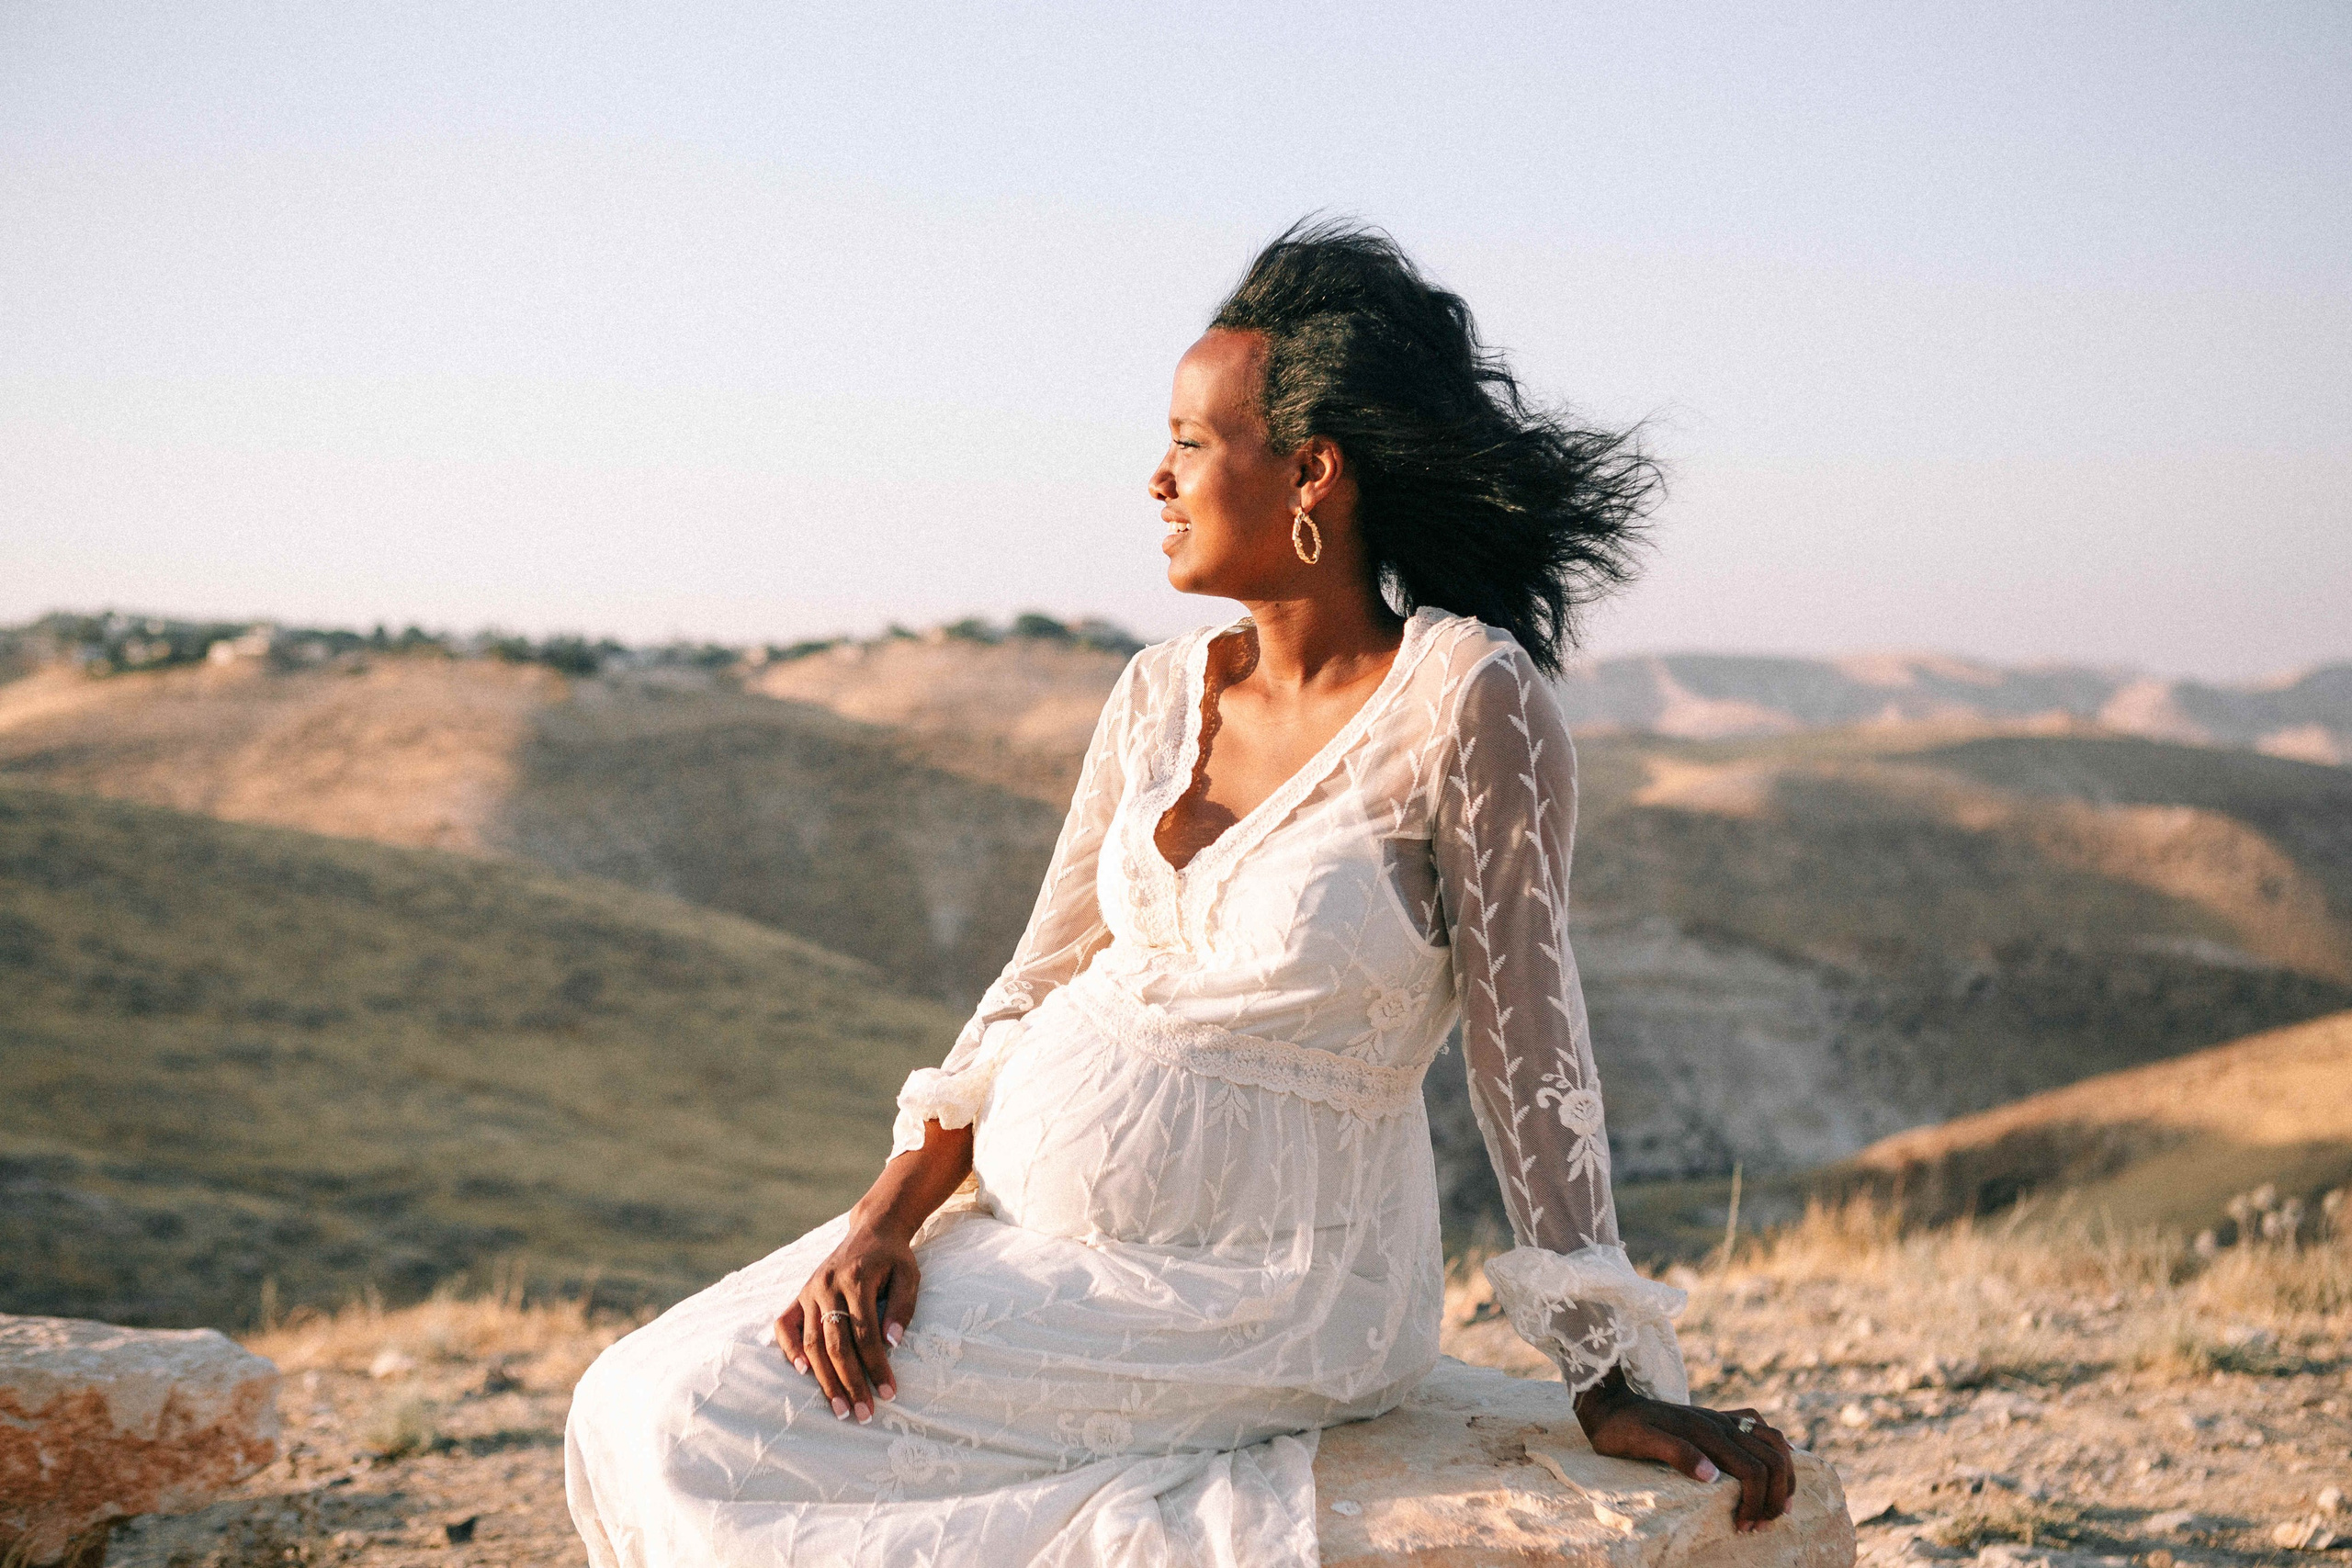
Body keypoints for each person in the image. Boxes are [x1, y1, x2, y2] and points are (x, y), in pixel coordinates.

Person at [565, 220, 1796, 1565]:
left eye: (1193, 444)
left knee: (701, 1431)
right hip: (1026, 1235)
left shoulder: (1463, 701)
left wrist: (1610, 1377)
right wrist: (886, 1218)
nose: (1158, 479)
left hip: (1271, 1285)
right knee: (628, 1398)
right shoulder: (1157, 694)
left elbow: (1531, 1051)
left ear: (1311, 473)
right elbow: (1035, 982)